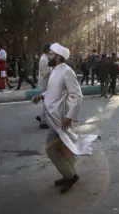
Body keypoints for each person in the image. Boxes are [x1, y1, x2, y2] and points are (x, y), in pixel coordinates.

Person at [31, 43, 99, 194]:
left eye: (50, 54)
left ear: (57, 56)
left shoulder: (67, 72)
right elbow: (53, 91)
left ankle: (71, 176)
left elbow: (77, 95)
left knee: (51, 149)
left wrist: (69, 117)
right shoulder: (55, 70)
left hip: (60, 119)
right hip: (53, 116)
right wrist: (41, 96)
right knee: (63, 148)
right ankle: (67, 174)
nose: (48, 56)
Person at [36, 44, 52, 129]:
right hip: (45, 83)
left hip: (45, 83)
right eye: (51, 50)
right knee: (47, 102)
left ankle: (40, 116)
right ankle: (43, 121)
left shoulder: (45, 58)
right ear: (48, 50)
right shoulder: (44, 60)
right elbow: (46, 73)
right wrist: (53, 71)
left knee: (46, 102)